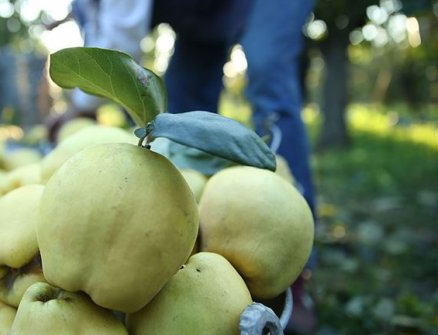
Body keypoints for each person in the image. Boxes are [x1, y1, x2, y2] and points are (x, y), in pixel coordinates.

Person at [47, 0, 317, 332]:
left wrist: (81, 105)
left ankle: (299, 284)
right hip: (202, 12)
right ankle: (210, 274)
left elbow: (121, 32)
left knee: (267, 65)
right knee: (182, 100)